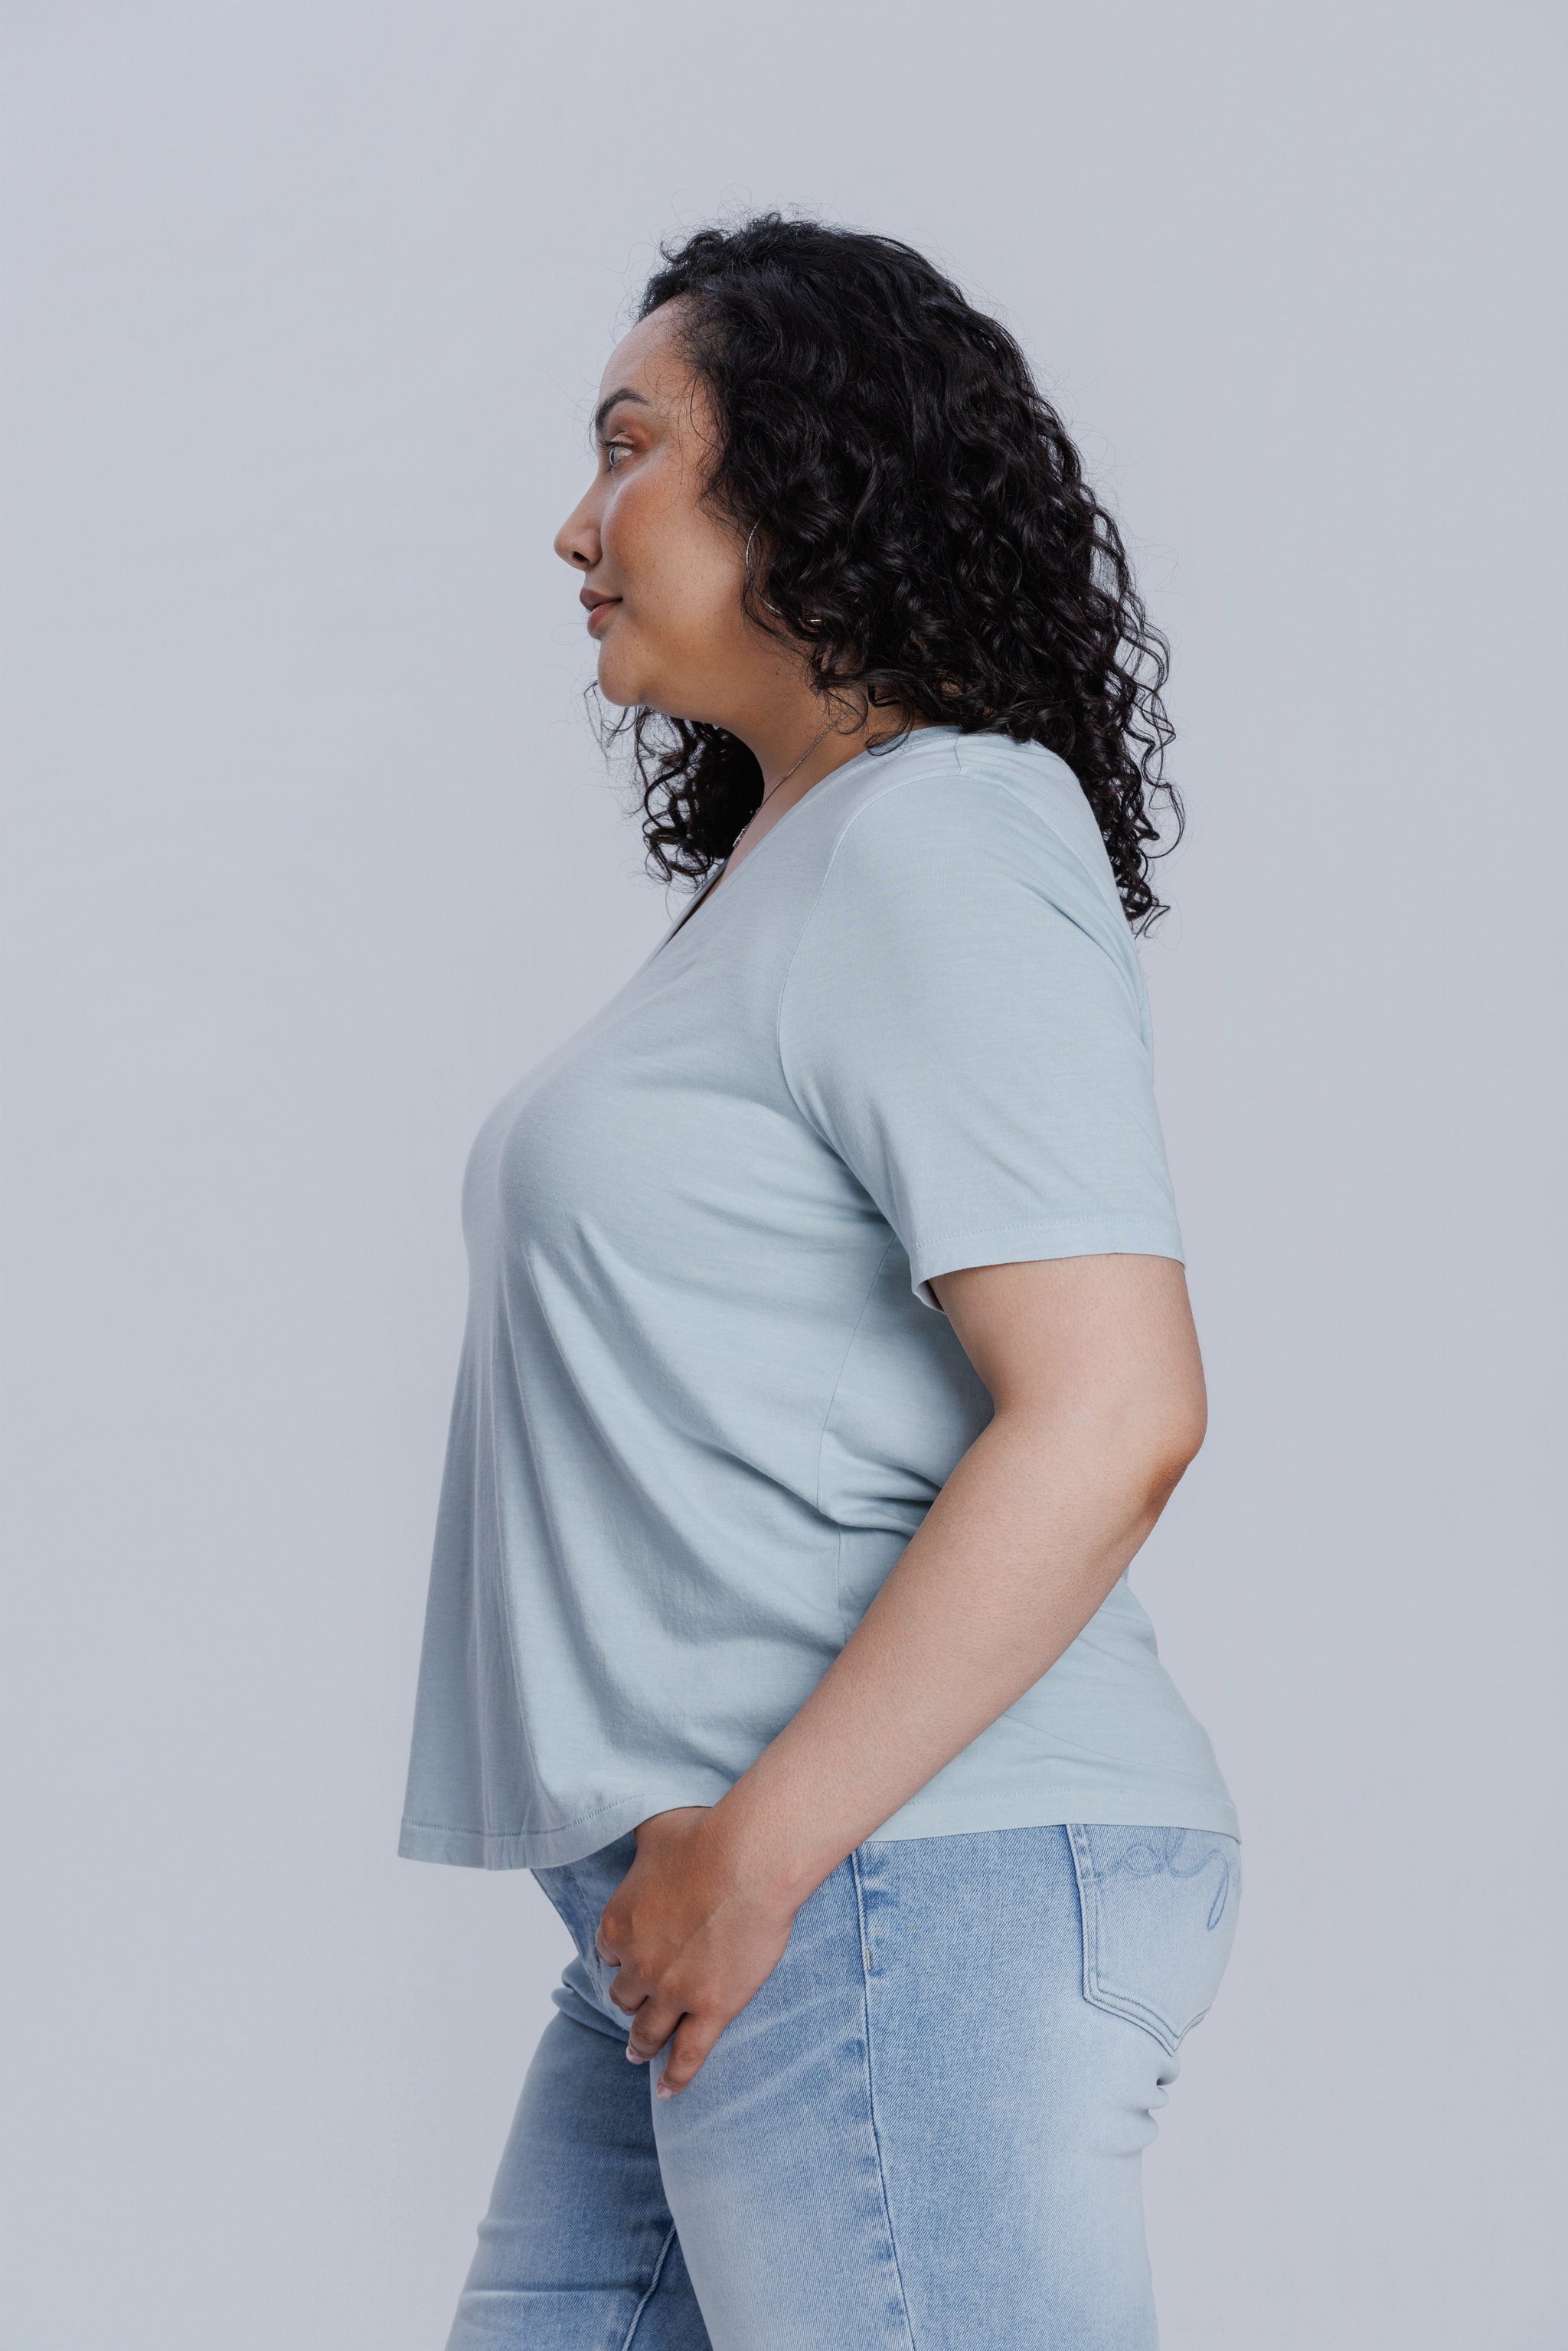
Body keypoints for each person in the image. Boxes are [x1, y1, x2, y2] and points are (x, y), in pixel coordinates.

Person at [400, 215, 1241, 2350]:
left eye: (633, 449)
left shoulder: (945, 832)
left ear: (810, 475)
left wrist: (761, 1855)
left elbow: (1117, 1407)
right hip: (727, 1899)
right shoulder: (798, 873)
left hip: (883, 1876)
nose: (575, 524)